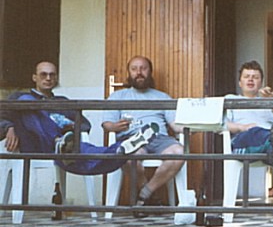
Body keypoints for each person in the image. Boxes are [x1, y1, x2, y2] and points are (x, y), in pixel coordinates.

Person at [0, 61, 156, 175]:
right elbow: (3, 115)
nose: (48, 78)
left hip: (64, 149)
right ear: (34, 77)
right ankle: (58, 142)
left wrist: (70, 125)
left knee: (91, 152)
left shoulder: (62, 102)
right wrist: (9, 127)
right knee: (26, 101)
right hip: (35, 145)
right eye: (43, 74)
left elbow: (85, 124)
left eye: (52, 75)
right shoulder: (20, 97)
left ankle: (122, 148)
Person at [102, 56, 185, 211]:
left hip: (159, 138)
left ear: (150, 71)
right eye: (134, 69)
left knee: (179, 152)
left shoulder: (162, 97)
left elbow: (175, 125)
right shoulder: (118, 96)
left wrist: (190, 127)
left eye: (143, 68)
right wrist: (115, 126)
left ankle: (145, 193)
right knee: (127, 157)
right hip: (132, 138)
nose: (139, 72)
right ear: (129, 72)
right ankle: (148, 195)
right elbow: (107, 125)